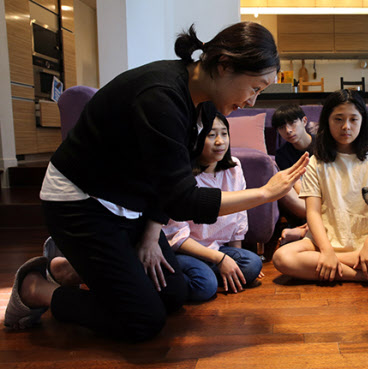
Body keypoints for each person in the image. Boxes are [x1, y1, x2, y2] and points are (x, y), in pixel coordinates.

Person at [5, 22, 308, 342]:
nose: (252, 102)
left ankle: (69, 269)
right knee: (142, 320)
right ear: (225, 66)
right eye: (255, 88)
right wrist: (263, 193)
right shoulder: (161, 96)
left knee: (172, 293)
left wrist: (150, 234)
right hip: (80, 201)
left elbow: (168, 179)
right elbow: (183, 199)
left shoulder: (203, 104)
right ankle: (37, 288)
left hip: (129, 203)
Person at [272, 89, 368, 286]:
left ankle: (338, 266)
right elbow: (313, 213)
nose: (346, 126)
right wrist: (326, 251)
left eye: (353, 119)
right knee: (282, 258)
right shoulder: (316, 162)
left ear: (363, 122)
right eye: (338, 119)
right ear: (327, 121)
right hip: (324, 243)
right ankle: (365, 275)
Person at [163, 102, 263, 301]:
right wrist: (222, 259)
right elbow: (176, 236)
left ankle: (213, 273)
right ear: (195, 138)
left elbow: (239, 215)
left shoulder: (234, 167)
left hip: (217, 248)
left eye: (224, 134)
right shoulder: (182, 175)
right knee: (204, 286)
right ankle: (200, 275)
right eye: (211, 135)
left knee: (252, 265)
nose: (220, 141)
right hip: (185, 250)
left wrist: (237, 260)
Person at [271, 104, 314, 244]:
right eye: (282, 127)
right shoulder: (282, 154)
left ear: (304, 121)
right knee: (282, 189)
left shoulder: (323, 144)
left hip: (327, 194)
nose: (288, 131)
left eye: (292, 123)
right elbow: (296, 183)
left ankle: (303, 231)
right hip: (305, 200)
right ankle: (314, 224)